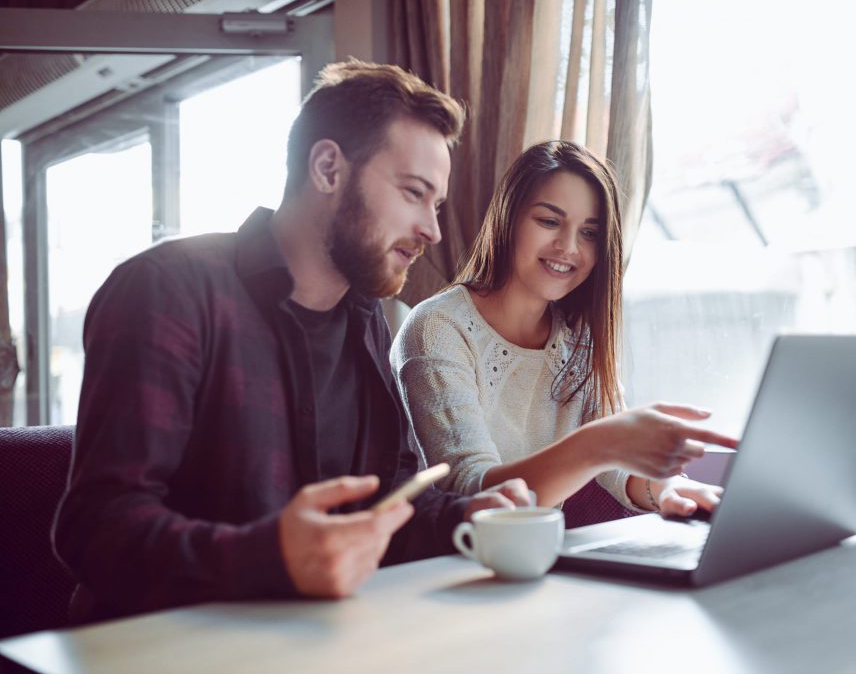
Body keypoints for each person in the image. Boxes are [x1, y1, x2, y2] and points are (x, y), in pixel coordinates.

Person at [53, 59, 529, 624]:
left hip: (311, 642)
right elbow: (97, 527)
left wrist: (464, 517)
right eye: (413, 192)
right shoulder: (166, 291)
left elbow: (386, 499)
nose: (433, 228)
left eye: (437, 203)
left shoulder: (367, 319)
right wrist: (270, 557)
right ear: (328, 168)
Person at [391, 141, 738, 519]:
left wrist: (671, 488)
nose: (568, 247)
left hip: (537, 557)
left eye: (589, 233)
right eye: (549, 221)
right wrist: (601, 443)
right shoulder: (437, 329)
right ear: (508, 218)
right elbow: (470, 490)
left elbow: (616, 468)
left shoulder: (577, 339)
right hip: (454, 561)